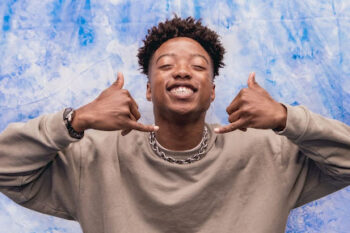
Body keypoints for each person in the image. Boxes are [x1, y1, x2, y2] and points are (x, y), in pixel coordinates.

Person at [0, 16, 350, 233]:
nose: (182, 70)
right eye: (166, 65)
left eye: (198, 66)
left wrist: (288, 118)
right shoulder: (91, 158)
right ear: (149, 90)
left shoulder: (271, 153)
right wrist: (75, 121)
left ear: (212, 92)